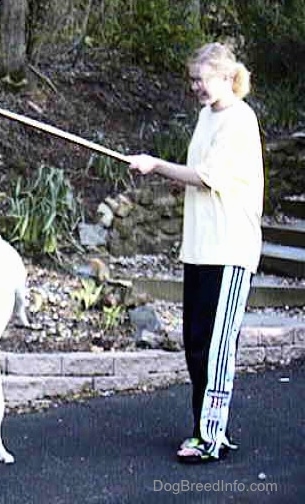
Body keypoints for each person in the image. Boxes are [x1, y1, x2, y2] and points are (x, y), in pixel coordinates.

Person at [126, 42, 264, 464]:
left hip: (231, 250)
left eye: (201, 79)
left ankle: (211, 436)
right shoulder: (207, 117)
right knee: (195, 344)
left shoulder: (240, 121)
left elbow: (206, 178)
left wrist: (155, 164)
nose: (196, 87)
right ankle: (203, 428)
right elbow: (200, 177)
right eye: (192, 80)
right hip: (200, 249)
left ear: (225, 77)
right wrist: (167, 174)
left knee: (216, 349)